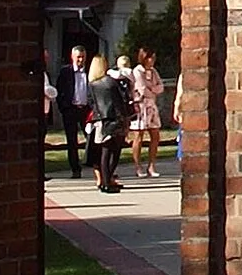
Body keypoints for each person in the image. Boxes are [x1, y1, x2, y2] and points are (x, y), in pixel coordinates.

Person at [86, 52, 130, 194]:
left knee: (104, 152)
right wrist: (124, 118)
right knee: (114, 152)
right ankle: (108, 180)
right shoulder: (110, 82)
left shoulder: (92, 84)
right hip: (113, 119)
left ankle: (105, 182)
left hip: (99, 120)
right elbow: (119, 101)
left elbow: (90, 102)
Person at [129, 49, 165, 178]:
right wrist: (152, 90)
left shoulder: (154, 71)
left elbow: (161, 86)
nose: (152, 61)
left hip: (151, 106)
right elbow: (142, 89)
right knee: (139, 136)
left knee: (155, 135)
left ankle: (151, 165)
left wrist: (153, 89)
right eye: (150, 58)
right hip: (140, 106)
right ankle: (138, 165)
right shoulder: (137, 71)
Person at [60, 41, 90, 179]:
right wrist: (64, 107)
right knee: (72, 141)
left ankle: (94, 164)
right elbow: (60, 90)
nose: (80, 60)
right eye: (78, 57)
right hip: (71, 109)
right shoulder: (65, 71)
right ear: (72, 57)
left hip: (86, 110)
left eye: (83, 57)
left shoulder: (89, 72)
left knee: (92, 138)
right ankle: (75, 169)